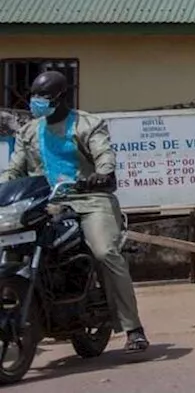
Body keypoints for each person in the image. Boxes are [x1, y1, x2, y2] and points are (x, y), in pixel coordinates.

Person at [1, 72, 150, 352]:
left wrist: (102, 173)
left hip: (90, 198)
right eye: (33, 97)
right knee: (12, 244)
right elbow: (15, 169)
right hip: (46, 203)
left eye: (43, 98)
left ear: (60, 98)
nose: (36, 103)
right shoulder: (29, 131)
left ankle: (133, 328)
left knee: (105, 252)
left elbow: (104, 155)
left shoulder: (88, 124)